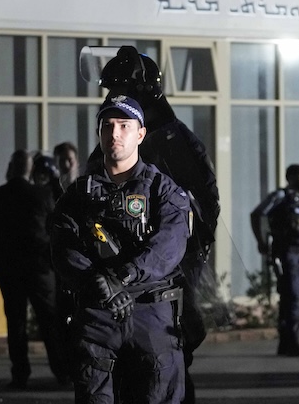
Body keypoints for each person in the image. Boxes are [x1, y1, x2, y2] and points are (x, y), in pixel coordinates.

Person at [90, 45, 221, 404]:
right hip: (118, 278)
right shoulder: (112, 147)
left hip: (165, 276)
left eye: (123, 93)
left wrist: (177, 256)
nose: (115, 101)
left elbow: (202, 208)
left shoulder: (173, 144)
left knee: (167, 366)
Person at [50, 95, 190, 404]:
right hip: (99, 314)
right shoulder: (78, 194)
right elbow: (63, 246)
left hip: (150, 313)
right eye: (108, 126)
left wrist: (123, 276)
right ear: (99, 133)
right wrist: (97, 283)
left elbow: (169, 244)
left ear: (140, 134)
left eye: (124, 126)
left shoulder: (161, 189)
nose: (115, 133)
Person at [0, 150, 70, 388]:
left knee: (15, 322)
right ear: (30, 169)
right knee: (49, 320)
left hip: (8, 267)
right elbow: (55, 225)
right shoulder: (43, 195)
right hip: (39, 266)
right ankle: (61, 371)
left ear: (11, 167)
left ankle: (20, 374)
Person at [250, 164, 299, 356]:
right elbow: (257, 214)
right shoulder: (281, 197)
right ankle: (291, 342)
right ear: (290, 177)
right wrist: (261, 242)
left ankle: (288, 342)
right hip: (284, 251)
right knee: (291, 297)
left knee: (293, 297)